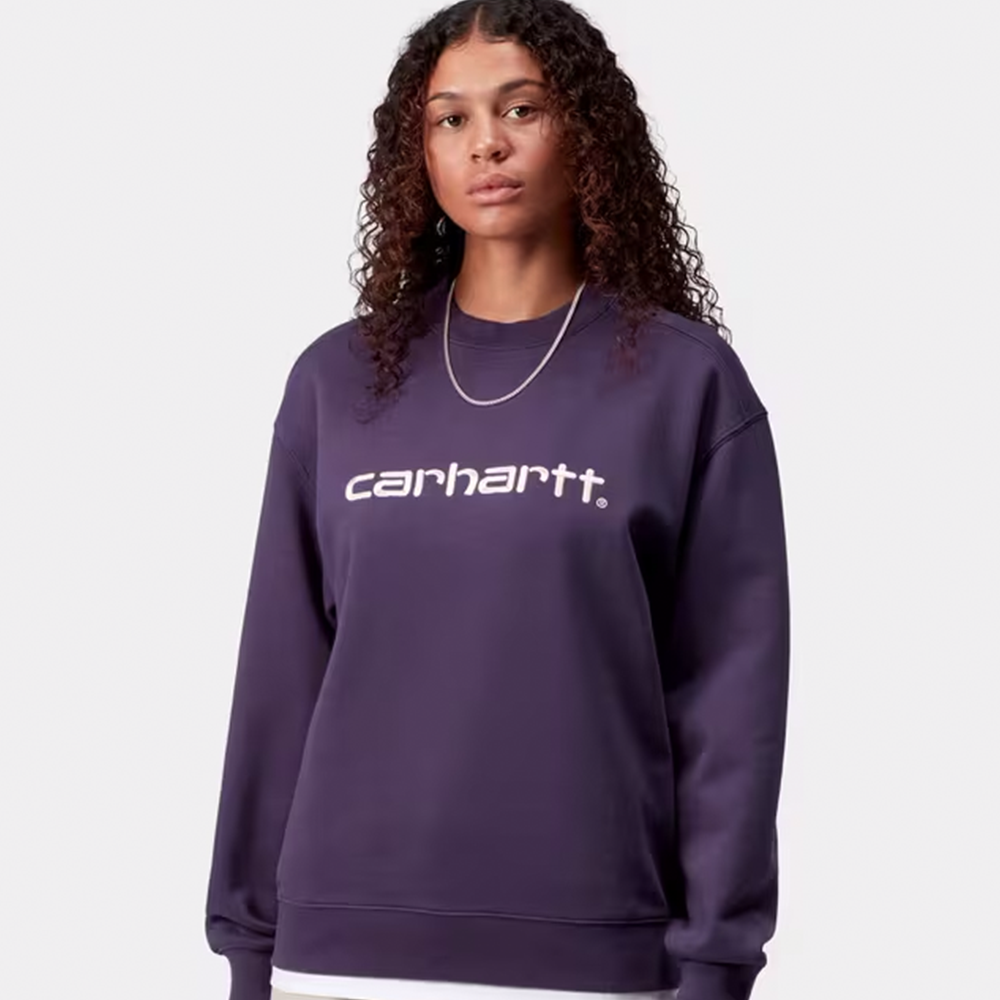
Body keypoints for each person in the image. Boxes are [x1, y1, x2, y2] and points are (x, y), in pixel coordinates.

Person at [203, 1, 791, 999]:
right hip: (336, 950)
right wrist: (250, 950)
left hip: (593, 955)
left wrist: (714, 964)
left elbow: (730, 701)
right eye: (451, 118)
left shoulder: (684, 382)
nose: (486, 143)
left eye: (522, 108)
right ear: (419, 152)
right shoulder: (337, 382)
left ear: (585, 131)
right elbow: (278, 677)